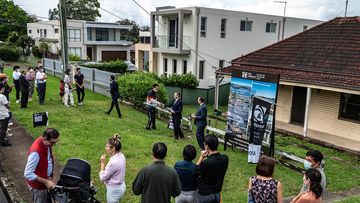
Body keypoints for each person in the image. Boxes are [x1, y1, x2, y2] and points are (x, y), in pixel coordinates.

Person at [24, 128, 60, 202]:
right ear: (45, 139)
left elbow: (48, 160)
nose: (53, 145)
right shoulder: (36, 152)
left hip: (45, 181)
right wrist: (46, 181)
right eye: (52, 143)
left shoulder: (45, 143)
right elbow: (27, 173)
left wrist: (49, 177)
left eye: (55, 142)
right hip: (38, 188)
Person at [195, 134, 229, 203]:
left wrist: (201, 157)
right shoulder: (225, 158)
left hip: (204, 195)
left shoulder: (206, 163)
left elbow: (194, 172)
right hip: (217, 194)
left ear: (207, 146)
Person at [99, 134, 126, 203]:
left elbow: (102, 178)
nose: (106, 148)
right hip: (122, 186)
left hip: (114, 191)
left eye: (107, 146)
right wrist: (116, 139)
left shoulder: (112, 163)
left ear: (113, 148)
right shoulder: (122, 156)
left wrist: (102, 163)